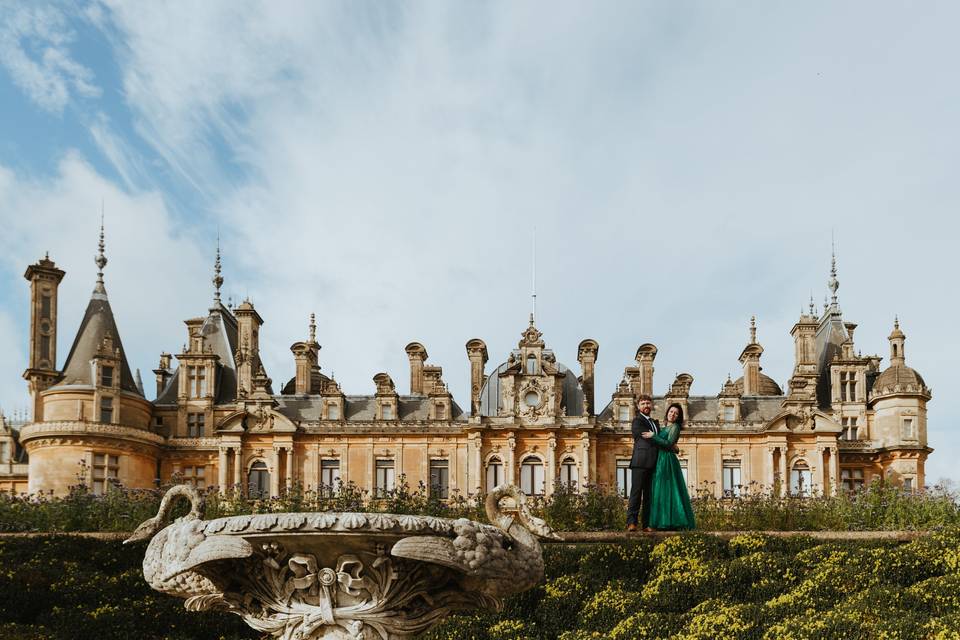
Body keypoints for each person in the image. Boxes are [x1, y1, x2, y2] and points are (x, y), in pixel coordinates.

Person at [641, 402, 696, 530]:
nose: (673, 414)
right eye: (671, 412)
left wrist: (653, 436)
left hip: (667, 461)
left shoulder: (675, 427)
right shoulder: (665, 427)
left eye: (676, 413)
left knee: (666, 490)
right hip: (660, 460)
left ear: (678, 417)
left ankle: (663, 523)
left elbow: (669, 443)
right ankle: (658, 522)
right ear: (667, 412)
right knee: (658, 491)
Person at [626, 394, 675, 532]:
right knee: (636, 493)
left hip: (654, 463)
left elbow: (659, 438)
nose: (646, 405)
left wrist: (666, 443)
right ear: (638, 406)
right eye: (643, 403)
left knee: (649, 496)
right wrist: (657, 438)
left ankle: (646, 524)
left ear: (651, 405)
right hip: (640, 462)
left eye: (648, 403)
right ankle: (631, 522)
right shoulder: (637, 421)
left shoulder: (655, 422)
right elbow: (648, 437)